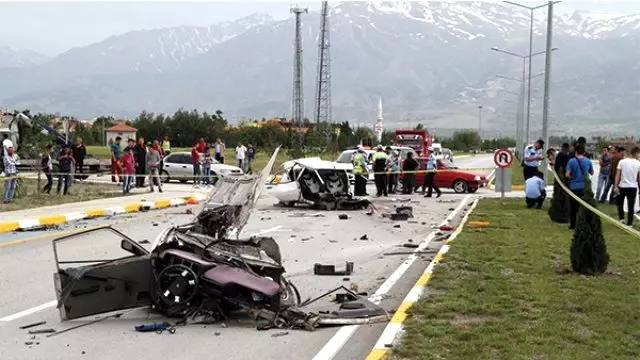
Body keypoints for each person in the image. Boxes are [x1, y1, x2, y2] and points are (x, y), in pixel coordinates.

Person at [565, 144, 594, 230]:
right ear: (584, 152)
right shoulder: (588, 161)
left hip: (574, 187)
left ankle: (573, 225)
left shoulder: (571, 161)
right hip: (585, 187)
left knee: (573, 207)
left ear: (575, 151)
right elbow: (592, 172)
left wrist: (572, 178)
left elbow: (567, 175)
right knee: (585, 206)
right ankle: (585, 224)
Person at [613, 146, 640, 226]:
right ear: (636, 153)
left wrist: (615, 186)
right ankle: (630, 224)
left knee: (620, 203)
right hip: (633, 187)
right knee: (631, 206)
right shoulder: (638, 163)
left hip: (622, 186)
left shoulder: (622, 161)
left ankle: (622, 219)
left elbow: (617, 175)